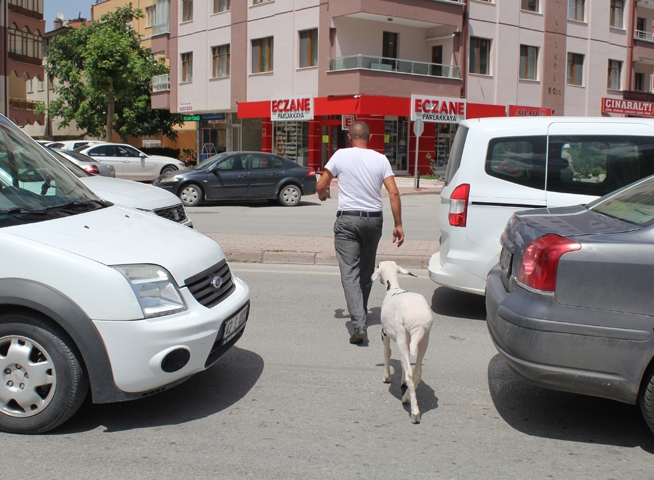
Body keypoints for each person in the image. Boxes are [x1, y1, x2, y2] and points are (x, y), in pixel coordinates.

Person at [316, 121, 404, 345]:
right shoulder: (380, 159)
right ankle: (361, 313)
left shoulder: (340, 156)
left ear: (348, 137)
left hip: (348, 220)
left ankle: (358, 324)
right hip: (373, 220)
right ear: (370, 137)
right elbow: (393, 192)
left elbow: (320, 185)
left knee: (350, 273)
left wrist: (323, 193)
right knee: (366, 271)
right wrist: (398, 224)